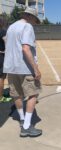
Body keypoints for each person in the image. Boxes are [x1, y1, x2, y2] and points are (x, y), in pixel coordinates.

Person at [3, 7, 42, 137]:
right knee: (33, 95)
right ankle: (26, 127)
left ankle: (22, 119)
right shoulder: (27, 27)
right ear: (30, 17)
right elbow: (26, 49)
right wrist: (36, 69)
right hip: (25, 68)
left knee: (17, 95)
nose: (34, 23)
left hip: (10, 67)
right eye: (34, 19)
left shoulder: (11, 27)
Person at [0, 17, 12, 102]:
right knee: (1, 77)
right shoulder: (3, 31)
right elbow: (7, 44)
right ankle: (1, 97)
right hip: (1, 56)